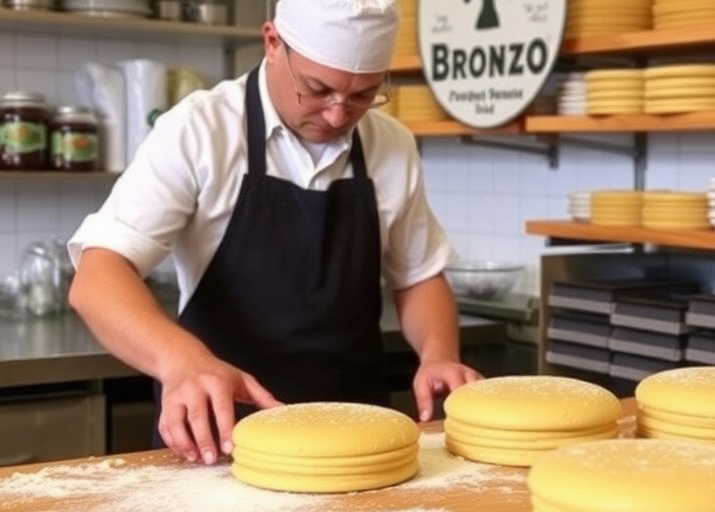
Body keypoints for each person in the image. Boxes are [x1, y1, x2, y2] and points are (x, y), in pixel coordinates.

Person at [67, 0, 482, 466]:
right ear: (271, 44)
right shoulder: (200, 130)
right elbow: (98, 276)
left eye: (363, 95)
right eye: (317, 89)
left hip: (354, 437)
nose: (336, 115)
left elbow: (418, 275)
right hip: (220, 435)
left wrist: (439, 353)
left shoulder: (392, 144)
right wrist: (180, 361)